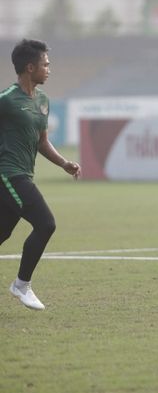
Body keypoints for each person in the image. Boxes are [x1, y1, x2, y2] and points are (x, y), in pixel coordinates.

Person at [2, 39, 81, 310]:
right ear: (30, 67)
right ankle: (21, 285)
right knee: (46, 223)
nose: (50, 69)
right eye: (45, 64)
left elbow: (41, 141)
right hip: (8, 175)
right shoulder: (7, 100)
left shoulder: (43, 101)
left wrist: (63, 163)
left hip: (24, 174)